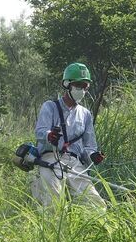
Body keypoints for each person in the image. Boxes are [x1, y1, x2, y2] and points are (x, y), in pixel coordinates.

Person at [34, 62, 106, 209]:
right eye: (79, 85)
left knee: (96, 205)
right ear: (67, 84)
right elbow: (40, 131)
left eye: (85, 86)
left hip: (75, 162)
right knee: (53, 203)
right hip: (50, 158)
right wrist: (49, 135)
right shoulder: (50, 106)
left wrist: (93, 156)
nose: (82, 90)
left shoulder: (85, 114)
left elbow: (89, 145)